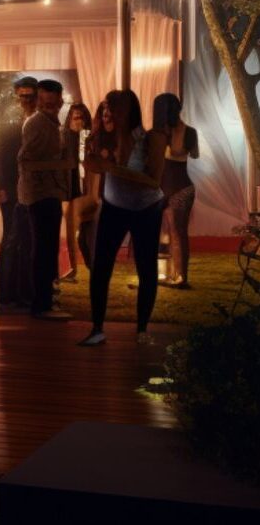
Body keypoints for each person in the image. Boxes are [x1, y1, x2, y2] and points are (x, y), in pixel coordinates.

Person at [80, 91, 168, 346]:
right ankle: (97, 328)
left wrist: (113, 169)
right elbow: (94, 167)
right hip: (114, 206)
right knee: (101, 266)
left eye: (112, 107)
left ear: (127, 111)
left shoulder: (150, 138)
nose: (106, 111)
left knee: (145, 267)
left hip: (146, 209)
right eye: (105, 106)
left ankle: (142, 329)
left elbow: (153, 180)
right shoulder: (102, 137)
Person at [19, 79, 75, 321]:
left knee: (47, 249)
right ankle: (42, 305)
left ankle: (45, 302)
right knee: (44, 250)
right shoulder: (38, 124)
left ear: (61, 100)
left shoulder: (52, 124)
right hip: (41, 195)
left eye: (54, 101)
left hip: (50, 193)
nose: (49, 106)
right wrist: (63, 165)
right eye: (44, 102)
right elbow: (25, 161)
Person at [0, 78, 39, 312]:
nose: (26, 100)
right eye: (22, 96)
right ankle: (6, 297)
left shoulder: (37, 122)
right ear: (16, 96)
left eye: (30, 96)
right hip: (11, 190)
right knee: (11, 241)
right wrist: (1, 187)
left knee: (26, 242)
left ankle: (22, 295)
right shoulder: (9, 124)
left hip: (30, 190)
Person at [153, 93, 199, 288]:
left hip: (180, 189)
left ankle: (180, 277)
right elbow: (194, 154)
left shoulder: (186, 132)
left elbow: (185, 152)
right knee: (168, 232)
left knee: (177, 232)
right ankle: (171, 275)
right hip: (168, 188)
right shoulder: (163, 133)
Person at [62, 102, 100, 282]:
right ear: (69, 119)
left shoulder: (91, 139)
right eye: (75, 117)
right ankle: (72, 269)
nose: (78, 121)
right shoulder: (65, 137)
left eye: (81, 117)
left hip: (89, 192)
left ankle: (92, 268)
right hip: (71, 192)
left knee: (88, 235)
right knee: (75, 233)